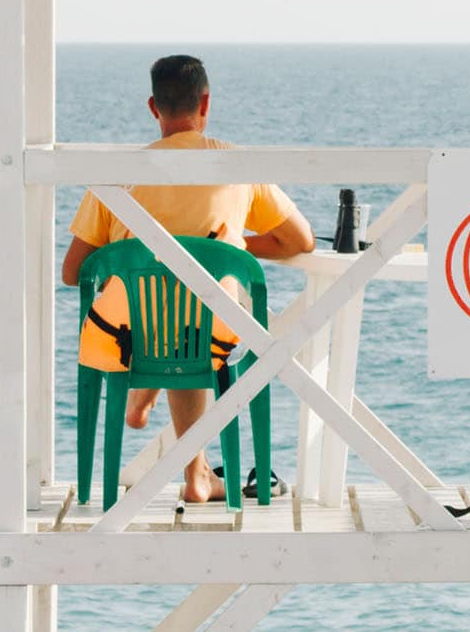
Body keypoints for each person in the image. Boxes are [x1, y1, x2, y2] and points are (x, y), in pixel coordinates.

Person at [60, 54, 314, 503]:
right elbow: (300, 240)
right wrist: (228, 248)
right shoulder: (234, 165)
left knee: (167, 310)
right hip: (210, 329)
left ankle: (156, 416)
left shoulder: (118, 177)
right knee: (192, 313)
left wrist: (140, 253)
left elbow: (72, 272)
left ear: (153, 107)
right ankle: (196, 474)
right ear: (206, 103)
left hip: (125, 335)